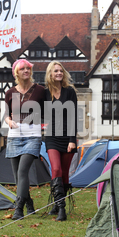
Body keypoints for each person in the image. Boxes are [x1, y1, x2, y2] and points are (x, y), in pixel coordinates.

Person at [4, 59, 45, 220]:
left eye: (28, 68)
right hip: (14, 136)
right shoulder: (10, 92)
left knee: (22, 171)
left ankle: (18, 209)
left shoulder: (40, 90)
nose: (26, 71)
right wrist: (8, 121)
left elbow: (48, 109)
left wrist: (45, 123)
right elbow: (6, 114)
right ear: (16, 73)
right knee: (17, 177)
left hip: (32, 136)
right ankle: (29, 204)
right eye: (22, 69)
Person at [44, 61, 78, 221]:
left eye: (61, 71)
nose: (59, 73)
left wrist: (72, 140)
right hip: (51, 137)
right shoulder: (45, 93)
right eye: (56, 71)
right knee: (56, 169)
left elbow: (73, 117)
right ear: (50, 74)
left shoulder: (69, 92)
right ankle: (62, 209)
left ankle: (57, 205)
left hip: (67, 138)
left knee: (64, 175)